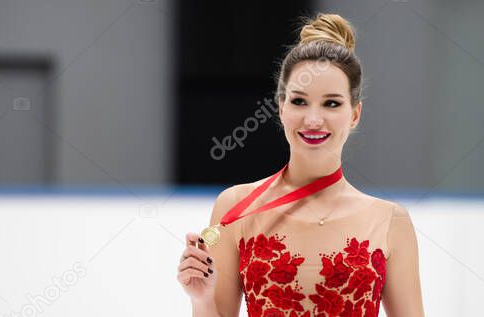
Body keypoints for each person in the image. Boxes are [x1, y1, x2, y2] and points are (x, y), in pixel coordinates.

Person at [176, 13, 425, 317]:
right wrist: (201, 300)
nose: (313, 119)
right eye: (299, 101)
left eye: (331, 103)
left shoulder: (391, 222)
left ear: (355, 113)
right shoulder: (235, 209)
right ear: (281, 108)